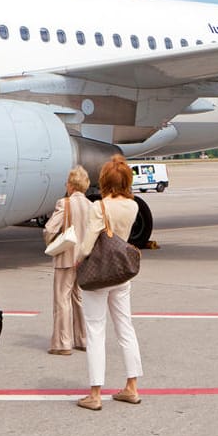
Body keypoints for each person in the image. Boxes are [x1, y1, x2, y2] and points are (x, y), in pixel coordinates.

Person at [75, 155, 143, 411]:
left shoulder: (99, 207)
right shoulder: (132, 206)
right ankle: (132, 386)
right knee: (125, 327)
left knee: (95, 330)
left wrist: (78, 258)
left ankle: (95, 392)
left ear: (104, 180)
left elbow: (88, 244)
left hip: (99, 272)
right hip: (121, 272)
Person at [43, 166, 88, 356]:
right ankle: (83, 339)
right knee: (79, 298)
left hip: (67, 257)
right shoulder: (91, 205)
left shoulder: (64, 204)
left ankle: (62, 342)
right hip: (84, 258)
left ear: (70, 185)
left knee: (62, 299)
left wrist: (52, 243)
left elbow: (49, 228)